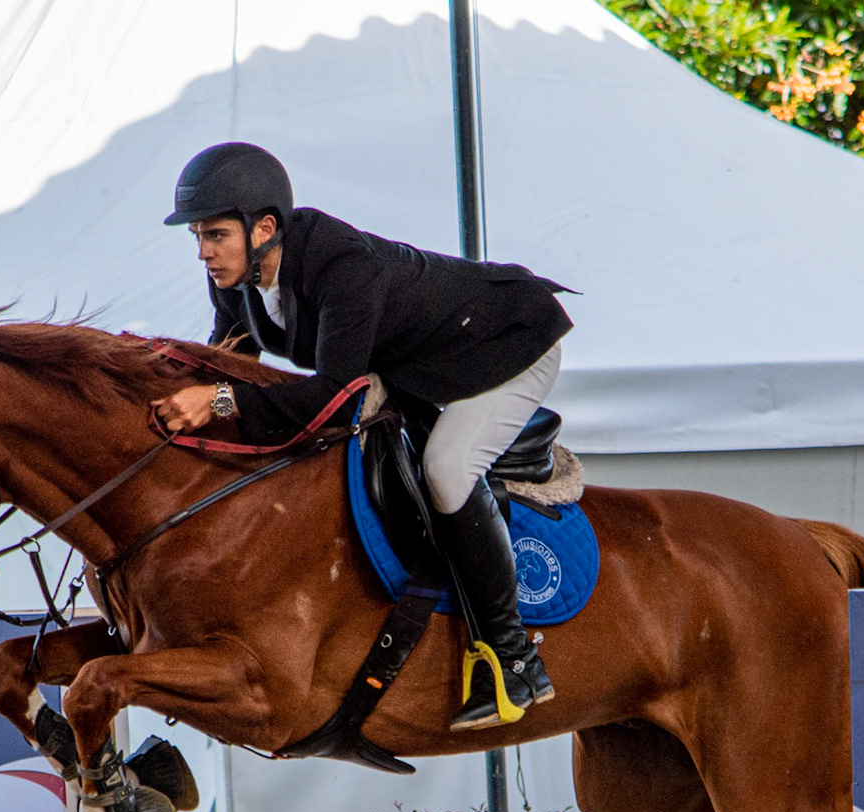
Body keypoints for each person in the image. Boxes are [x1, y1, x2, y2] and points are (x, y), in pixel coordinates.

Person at [152, 142, 574, 730]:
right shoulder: (234, 281)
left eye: (215, 235)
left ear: (264, 228)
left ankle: (514, 660)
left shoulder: (340, 265)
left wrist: (218, 400)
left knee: (447, 467)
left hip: (507, 344)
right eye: (198, 236)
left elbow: (335, 394)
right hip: (424, 366)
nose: (203, 252)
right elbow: (233, 367)